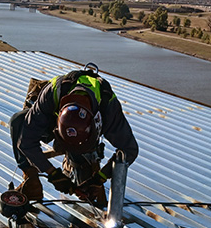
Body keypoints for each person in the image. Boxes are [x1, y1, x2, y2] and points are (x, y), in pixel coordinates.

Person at [9, 66, 138, 205]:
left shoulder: (108, 106)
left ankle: (80, 161)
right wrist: (53, 173)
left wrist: (100, 178)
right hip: (54, 120)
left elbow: (129, 149)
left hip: (88, 136)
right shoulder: (52, 93)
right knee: (18, 122)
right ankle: (31, 181)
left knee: (84, 187)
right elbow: (26, 142)